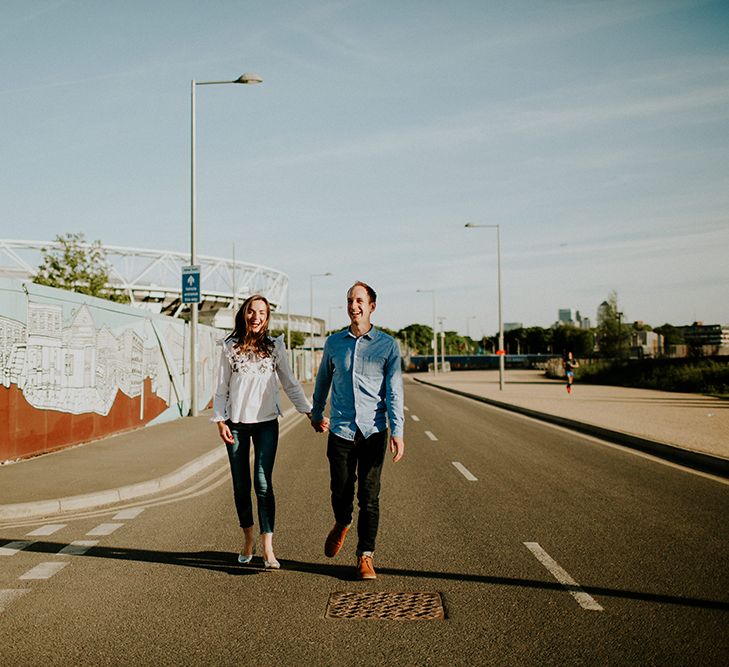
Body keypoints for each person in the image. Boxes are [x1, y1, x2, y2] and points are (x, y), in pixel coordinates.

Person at [310, 281, 405, 580]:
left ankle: (365, 555)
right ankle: (342, 521)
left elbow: (394, 391)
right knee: (340, 489)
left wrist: (397, 431)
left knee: (369, 495)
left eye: (360, 300)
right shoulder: (334, 343)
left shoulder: (387, 345)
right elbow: (323, 381)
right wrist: (316, 412)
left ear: (372, 306)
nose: (354, 305)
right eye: (350, 300)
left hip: (374, 430)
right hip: (341, 430)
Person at [212, 294, 312, 569]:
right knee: (241, 485)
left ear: (267, 318)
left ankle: (268, 547)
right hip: (236, 424)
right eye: (251, 312)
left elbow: (290, 383)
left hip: (267, 422)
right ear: (244, 314)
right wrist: (220, 421)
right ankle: (247, 540)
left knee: (263, 482)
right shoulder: (228, 347)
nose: (256, 317)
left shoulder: (275, 347)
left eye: (262, 313)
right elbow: (221, 389)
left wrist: (309, 411)